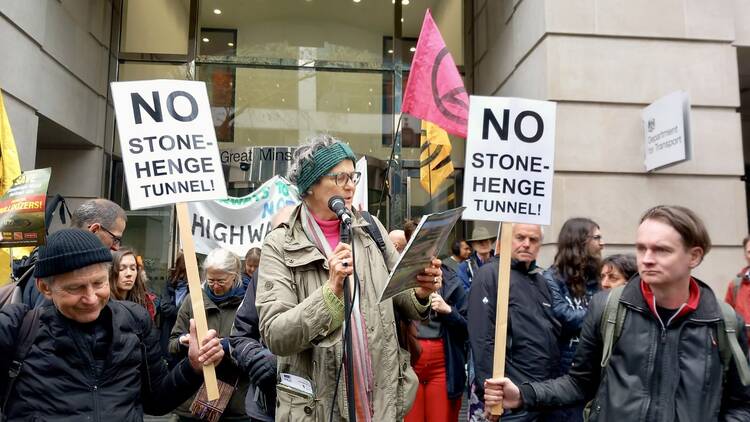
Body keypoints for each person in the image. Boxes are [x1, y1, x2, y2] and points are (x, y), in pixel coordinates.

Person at [484, 205, 750, 422]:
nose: (646, 258)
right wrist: (522, 394)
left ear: (694, 256)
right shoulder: (608, 308)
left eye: (661, 250)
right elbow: (579, 384)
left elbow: (740, 404)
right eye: (641, 248)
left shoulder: (724, 322)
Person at [255, 134, 442, 420]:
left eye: (352, 176)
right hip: (319, 408)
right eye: (339, 177)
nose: (351, 185)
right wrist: (330, 292)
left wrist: (421, 290)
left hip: (382, 403)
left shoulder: (370, 227)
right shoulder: (279, 245)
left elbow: (401, 295)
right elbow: (276, 335)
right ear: (311, 185)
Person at [0, 228, 224, 420]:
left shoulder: (135, 322)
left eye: (99, 283)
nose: (91, 297)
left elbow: (157, 401)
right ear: (45, 288)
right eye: (75, 288)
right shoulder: (17, 328)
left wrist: (192, 367)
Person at [467, 224, 561, 422]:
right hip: (511, 400)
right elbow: (483, 341)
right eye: (520, 237)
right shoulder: (489, 275)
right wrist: (492, 399)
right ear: (507, 240)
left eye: (533, 240)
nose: (527, 244)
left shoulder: (541, 281)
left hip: (542, 396)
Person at [169, 248, 249, 421]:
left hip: (234, 403)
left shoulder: (247, 304)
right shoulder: (193, 301)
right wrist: (185, 341)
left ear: (234, 276)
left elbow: (257, 347)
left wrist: (227, 347)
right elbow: (172, 344)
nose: (215, 286)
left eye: (221, 281)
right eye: (211, 280)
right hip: (192, 400)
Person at [404, 223, 468, 422]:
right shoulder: (399, 276)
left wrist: (448, 310)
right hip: (408, 361)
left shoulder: (451, 277)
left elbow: (469, 327)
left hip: (443, 364)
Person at [21, 198, 128, 307]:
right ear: (94, 230)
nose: (116, 247)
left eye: (98, 283)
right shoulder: (58, 264)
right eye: (115, 239)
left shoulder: (53, 258)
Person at [542, 219, 603, 376]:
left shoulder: (598, 276)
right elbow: (564, 318)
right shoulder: (551, 278)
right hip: (565, 368)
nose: (602, 244)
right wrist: (600, 311)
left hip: (594, 365)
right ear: (580, 242)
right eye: (596, 238)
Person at [110, 247, 158, 321]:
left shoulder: (145, 302)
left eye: (133, 268)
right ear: (111, 272)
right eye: (122, 268)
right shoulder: (103, 304)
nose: (129, 274)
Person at [725, 235, 750, 343]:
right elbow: (727, 317)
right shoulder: (735, 285)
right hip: (745, 348)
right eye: (749, 252)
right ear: (745, 254)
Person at [457, 226, 497, 291]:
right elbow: (464, 292)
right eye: (480, 241)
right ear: (473, 245)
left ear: (491, 242)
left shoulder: (501, 263)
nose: (483, 244)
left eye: (486, 240)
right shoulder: (464, 267)